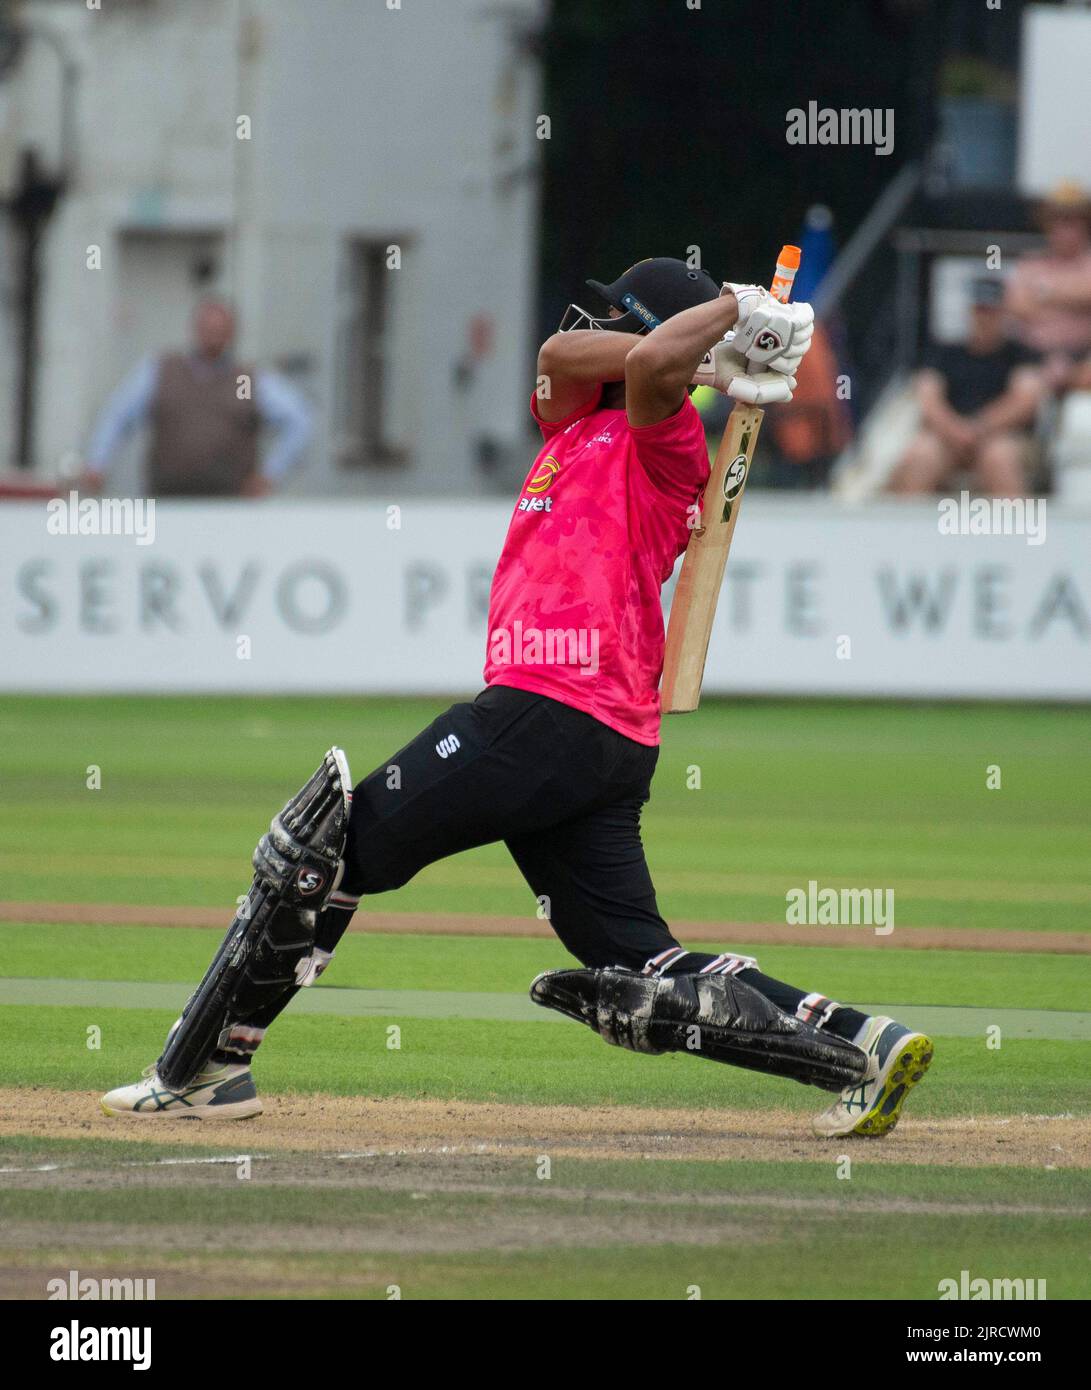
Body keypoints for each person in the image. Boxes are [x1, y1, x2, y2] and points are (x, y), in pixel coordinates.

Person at [102, 257, 932, 1139]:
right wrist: (716, 345)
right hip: (594, 733)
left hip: (553, 706)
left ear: (651, 333)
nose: (591, 326)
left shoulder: (667, 439)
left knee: (326, 850)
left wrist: (733, 311)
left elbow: (649, 370)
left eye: (617, 315)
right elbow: (560, 353)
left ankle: (207, 1067)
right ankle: (862, 1048)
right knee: (637, 964)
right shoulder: (573, 417)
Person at [85, 299, 312, 497]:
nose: (213, 335)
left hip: (230, 508)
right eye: (208, 327)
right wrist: (97, 464)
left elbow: (298, 420)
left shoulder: (244, 381)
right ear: (195, 329)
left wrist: (269, 475)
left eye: (220, 329)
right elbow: (117, 416)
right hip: (167, 504)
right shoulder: (162, 371)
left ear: (232, 333)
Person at [890, 277, 1041, 496]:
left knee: (999, 457)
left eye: (991, 310)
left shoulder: (1021, 354)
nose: (984, 317)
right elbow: (928, 398)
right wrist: (955, 430)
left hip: (1004, 435)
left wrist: (979, 428)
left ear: (1003, 312)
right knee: (921, 455)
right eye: (980, 309)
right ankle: (907, 528)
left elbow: (1024, 401)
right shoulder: (944, 352)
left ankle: (1013, 526)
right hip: (948, 435)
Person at [1005, 180, 1091, 395]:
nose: (1065, 230)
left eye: (1072, 221)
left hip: (1083, 356)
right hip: (1033, 357)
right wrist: (1075, 306)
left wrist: (1045, 293)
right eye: (1058, 221)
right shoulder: (1030, 263)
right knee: (1018, 384)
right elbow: (1017, 305)